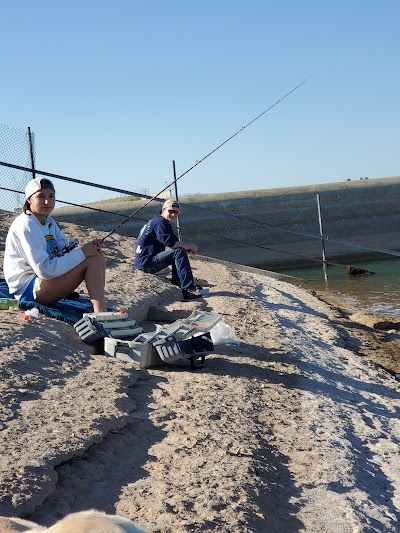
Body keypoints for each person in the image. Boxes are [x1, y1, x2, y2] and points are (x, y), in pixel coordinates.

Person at [3, 177, 107, 313]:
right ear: (29, 199)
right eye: (41, 196)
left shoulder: (49, 221)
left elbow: (64, 252)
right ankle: (102, 315)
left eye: (51, 196)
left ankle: (101, 310)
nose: (47, 201)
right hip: (28, 291)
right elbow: (45, 270)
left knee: (97, 255)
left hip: (45, 281)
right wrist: (82, 253)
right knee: (92, 260)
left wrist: (88, 248)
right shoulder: (26, 225)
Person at [134, 199, 201, 300]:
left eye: (176, 212)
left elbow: (175, 242)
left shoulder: (160, 221)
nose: (173, 215)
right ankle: (188, 289)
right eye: (171, 211)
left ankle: (178, 283)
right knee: (178, 252)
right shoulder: (160, 222)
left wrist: (187, 248)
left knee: (179, 251)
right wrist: (190, 246)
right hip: (146, 264)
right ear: (163, 210)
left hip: (145, 262)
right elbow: (171, 244)